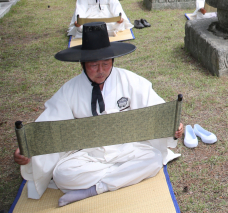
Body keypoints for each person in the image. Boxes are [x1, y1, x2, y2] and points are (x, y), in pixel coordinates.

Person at [14, 22, 183, 206]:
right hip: (87, 154)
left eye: (105, 63)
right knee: (62, 175)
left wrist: (172, 126)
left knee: (154, 159)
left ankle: (95, 188)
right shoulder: (70, 90)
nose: (101, 71)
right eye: (94, 65)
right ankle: (120, 176)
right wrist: (29, 147)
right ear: (83, 64)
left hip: (125, 147)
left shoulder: (129, 80)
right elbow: (49, 123)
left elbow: (156, 109)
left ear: (113, 60)